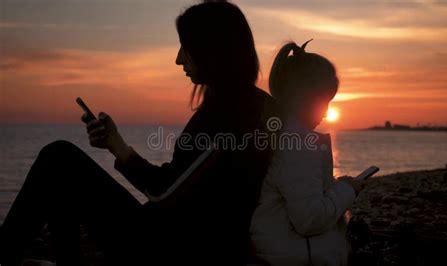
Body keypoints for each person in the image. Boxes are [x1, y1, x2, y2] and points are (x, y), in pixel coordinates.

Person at [0, 2, 275, 265]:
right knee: (62, 175)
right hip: (181, 240)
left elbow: (165, 192)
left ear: (212, 50)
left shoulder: (229, 113)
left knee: (58, 158)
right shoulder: (253, 105)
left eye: (186, 48)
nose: (179, 59)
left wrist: (119, 148)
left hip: (174, 251)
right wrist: (115, 144)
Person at [250, 40, 365, 266]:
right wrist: (348, 190)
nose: (327, 112)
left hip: (279, 249)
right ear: (305, 98)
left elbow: (298, 188)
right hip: (296, 257)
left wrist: (331, 186)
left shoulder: (278, 132)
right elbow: (310, 219)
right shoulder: (300, 144)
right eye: (325, 102)